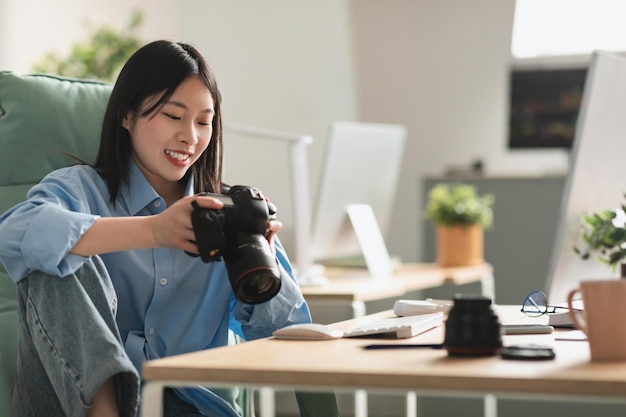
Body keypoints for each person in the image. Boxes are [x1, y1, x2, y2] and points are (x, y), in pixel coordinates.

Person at [0, 40, 313, 417]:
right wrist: (153, 230)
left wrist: (261, 268)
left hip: (187, 406)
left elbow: (288, 339)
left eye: (203, 121)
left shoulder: (226, 212)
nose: (190, 137)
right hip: (70, 406)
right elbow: (13, 233)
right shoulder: (78, 189)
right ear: (127, 115)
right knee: (56, 253)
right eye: (173, 115)